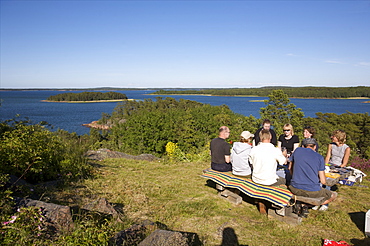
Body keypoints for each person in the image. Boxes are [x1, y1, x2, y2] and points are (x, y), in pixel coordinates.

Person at [289, 138, 337, 215]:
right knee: (333, 195)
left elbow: (289, 168)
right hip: (312, 191)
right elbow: (323, 181)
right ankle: (307, 205)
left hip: (294, 188)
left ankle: (302, 204)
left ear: (303, 146)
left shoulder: (297, 151)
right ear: (315, 147)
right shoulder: (319, 157)